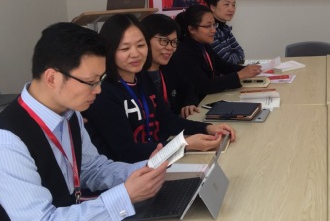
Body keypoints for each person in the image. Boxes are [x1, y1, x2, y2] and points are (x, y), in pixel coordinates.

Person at [0, 22, 183, 221]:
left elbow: (92, 169)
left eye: (100, 80)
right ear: (52, 78)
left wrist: (147, 168)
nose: (98, 90)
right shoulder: (5, 142)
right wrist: (125, 195)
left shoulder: (69, 113)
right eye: (91, 82)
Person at [83, 14, 235, 163]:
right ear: (109, 50)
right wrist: (184, 144)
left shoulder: (142, 78)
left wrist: (207, 128)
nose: (135, 54)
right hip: (130, 172)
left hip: (158, 161)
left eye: (140, 45)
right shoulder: (102, 92)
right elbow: (126, 152)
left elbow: (167, 121)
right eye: (125, 48)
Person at [167, 5, 261, 102]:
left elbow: (224, 66)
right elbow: (205, 85)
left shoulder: (204, 45)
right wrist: (239, 75)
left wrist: (249, 69)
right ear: (192, 29)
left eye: (214, 25)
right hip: (196, 103)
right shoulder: (184, 52)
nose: (214, 30)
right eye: (208, 26)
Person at [141, 13, 201, 118]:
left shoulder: (170, 65)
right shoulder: (134, 77)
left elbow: (188, 87)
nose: (170, 48)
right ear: (144, 40)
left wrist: (189, 103)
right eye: (164, 41)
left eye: (174, 42)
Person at [203, 0, 245, 64]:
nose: (231, 9)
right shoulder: (210, 31)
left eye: (233, 5)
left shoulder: (225, 28)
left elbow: (241, 53)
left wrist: (233, 56)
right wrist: (233, 55)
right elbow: (227, 60)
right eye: (226, 4)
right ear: (213, 7)